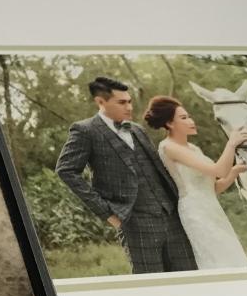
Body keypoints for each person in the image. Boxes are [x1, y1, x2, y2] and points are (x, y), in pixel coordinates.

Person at [55, 76, 196, 275]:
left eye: (129, 101)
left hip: (172, 217)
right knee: (151, 285)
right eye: (122, 102)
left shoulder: (137, 129)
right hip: (135, 222)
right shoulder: (85, 130)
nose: (129, 107)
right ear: (101, 102)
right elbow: (66, 170)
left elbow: (157, 170)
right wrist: (108, 214)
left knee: (188, 279)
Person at [144, 95, 247, 269]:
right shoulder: (168, 147)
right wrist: (231, 144)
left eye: (189, 116)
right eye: (183, 118)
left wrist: (234, 172)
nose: (191, 121)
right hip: (195, 212)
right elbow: (218, 171)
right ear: (170, 123)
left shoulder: (194, 149)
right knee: (218, 260)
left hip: (212, 208)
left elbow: (213, 188)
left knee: (232, 256)